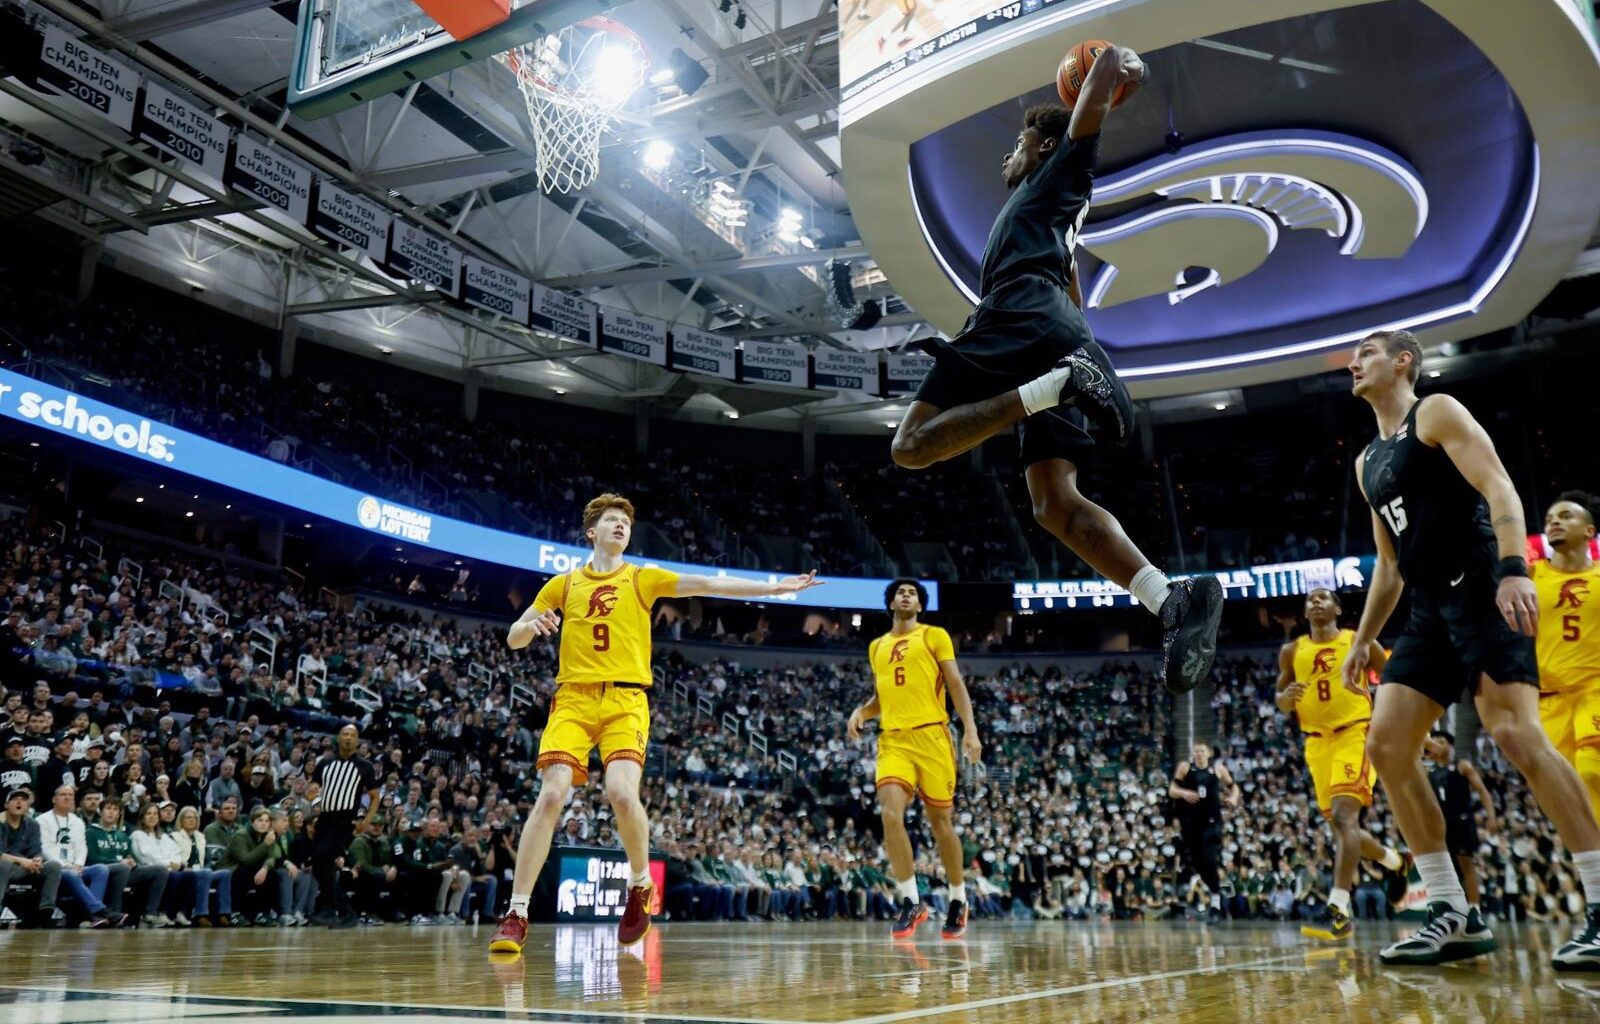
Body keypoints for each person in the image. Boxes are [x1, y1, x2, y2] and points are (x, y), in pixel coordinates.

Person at [884, 45, 1222, 697]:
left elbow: (1090, 108)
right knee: (1052, 504)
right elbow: (1071, 291)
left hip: (1019, 318)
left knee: (909, 447)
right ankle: (1170, 600)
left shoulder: (1056, 174)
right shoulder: (1049, 215)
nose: (1008, 154)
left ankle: (1054, 387)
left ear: (1042, 148)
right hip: (1061, 331)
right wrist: (1082, 352)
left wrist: (1114, 65)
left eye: (1017, 142)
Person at [1342, 329, 1600, 968]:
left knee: (1515, 734)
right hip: (1428, 603)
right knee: (1386, 745)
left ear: (1404, 362)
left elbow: (1501, 488)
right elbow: (1388, 565)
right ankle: (1453, 913)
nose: (1353, 362)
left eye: (1367, 352)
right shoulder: (1366, 460)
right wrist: (1366, 638)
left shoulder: (1436, 411)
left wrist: (1515, 566)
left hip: (1482, 579)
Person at [489, 493, 821, 955]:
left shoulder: (642, 579)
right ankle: (517, 912)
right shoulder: (562, 587)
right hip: (573, 699)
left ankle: (640, 885)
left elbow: (706, 584)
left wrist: (775, 589)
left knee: (622, 793)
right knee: (550, 795)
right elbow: (514, 638)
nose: (621, 526)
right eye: (612, 520)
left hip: (626, 699)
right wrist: (535, 624)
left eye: (626, 521)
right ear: (593, 532)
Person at [1274, 587, 1412, 941]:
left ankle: (1338, 904)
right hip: (1316, 744)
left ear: (1337, 608)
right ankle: (1395, 862)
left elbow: (1394, 678)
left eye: (1323, 597)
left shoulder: (1359, 640)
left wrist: (1396, 723)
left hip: (1355, 733)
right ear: (1305, 612)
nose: (1316, 601)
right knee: (1341, 827)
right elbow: (1281, 698)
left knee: (1346, 817)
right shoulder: (1292, 651)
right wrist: (1285, 700)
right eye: (1311, 599)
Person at [846, 579, 982, 940]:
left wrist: (970, 729)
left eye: (913, 593)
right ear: (891, 601)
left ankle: (958, 898)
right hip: (893, 741)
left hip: (933, 736)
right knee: (890, 814)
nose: (906, 595)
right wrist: (861, 712)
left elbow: (955, 684)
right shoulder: (876, 646)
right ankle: (911, 900)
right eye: (901, 592)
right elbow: (881, 699)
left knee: (941, 823)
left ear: (920, 606)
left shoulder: (934, 635)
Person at [1533, 491, 1600, 824]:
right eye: (1548, 519)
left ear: (1589, 531)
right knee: (1569, 793)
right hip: (1548, 698)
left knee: (1592, 769)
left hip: (1595, 690)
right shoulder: (1528, 577)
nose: (1554, 521)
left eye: (1565, 516)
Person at [310, 723, 380, 927]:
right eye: (345, 734)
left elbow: (375, 797)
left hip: (344, 820)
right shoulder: (324, 763)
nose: (348, 738)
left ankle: (331, 909)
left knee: (324, 856)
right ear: (338, 739)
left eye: (352, 735)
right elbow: (313, 789)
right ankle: (344, 910)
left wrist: (366, 821)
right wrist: (314, 800)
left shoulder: (365, 766)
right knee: (318, 864)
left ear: (357, 741)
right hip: (324, 818)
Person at [1422, 731, 1498, 916]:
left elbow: (1482, 791)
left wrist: (1491, 816)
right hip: (1441, 824)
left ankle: (1475, 909)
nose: (1438, 745)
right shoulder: (1429, 772)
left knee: (1467, 866)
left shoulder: (1461, 766)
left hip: (1462, 820)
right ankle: (1450, 909)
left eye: (1442, 741)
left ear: (1450, 746)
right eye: (1435, 742)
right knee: (1445, 868)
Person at [1167, 742, 1239, 922]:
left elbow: (1234, 786)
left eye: (1202, 751)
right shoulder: (1185, 768)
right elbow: (1172, 790)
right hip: (1192, 823)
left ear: (1208, 753)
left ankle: (1215, 903)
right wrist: (1183, 793)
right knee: (1198, 864)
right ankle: (1216, 894)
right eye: (1196, 751)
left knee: (1209, 855)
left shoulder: (1218, 769)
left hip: (1212, 821)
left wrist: (1233, 798)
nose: (1199, 754)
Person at [35, 784, 119, 926]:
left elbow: (82, 847)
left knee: (101, 869)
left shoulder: (77, 821)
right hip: (53, 869)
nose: (67, 797)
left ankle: (92, 915)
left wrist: (79, 864)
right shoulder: (42, 820)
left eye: (70, 795)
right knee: (70, 874)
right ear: (54, 799)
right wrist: (66, 866)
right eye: (63, 795)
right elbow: (43, 848)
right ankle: (96, 912)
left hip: (75, 867)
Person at [88, 799, 168, 926]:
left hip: (124, 872)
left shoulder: (122, 836)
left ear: (119, 814)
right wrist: (119, 862)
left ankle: (150, 913)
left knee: (161, 870)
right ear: (100, 812)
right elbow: (91, 859)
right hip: (101, 871)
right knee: (123, 868)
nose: (111, 813)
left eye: (115, 810)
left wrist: (132, 862)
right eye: (108, 809)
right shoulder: (90, 833)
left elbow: (129, 857)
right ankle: (115, 912)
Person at [0, 785, 66, 925]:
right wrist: (23, 861)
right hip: (6, 867)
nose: (19, 802)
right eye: (15, 799)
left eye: (23, 800)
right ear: (6, 804)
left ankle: (46, 911)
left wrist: (37, 860)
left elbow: (36, 849)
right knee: (3, 864)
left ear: (28, 805)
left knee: (53, 866)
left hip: (26, 868)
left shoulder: (33, 824)